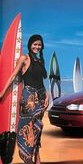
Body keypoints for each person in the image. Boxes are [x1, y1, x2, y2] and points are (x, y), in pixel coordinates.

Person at [0, 34, 49, 164]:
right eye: (35, 44)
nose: (37, 47)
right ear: (30, 45)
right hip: (29, 98)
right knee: (29, 126)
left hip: (41, 97)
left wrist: (47, 94)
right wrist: (2, 93)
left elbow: (41, 81)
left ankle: (37, 157)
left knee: (38, 128)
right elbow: (13, 76)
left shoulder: (40, 61)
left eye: (39, 45)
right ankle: (28, 158)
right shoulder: (24, 58)